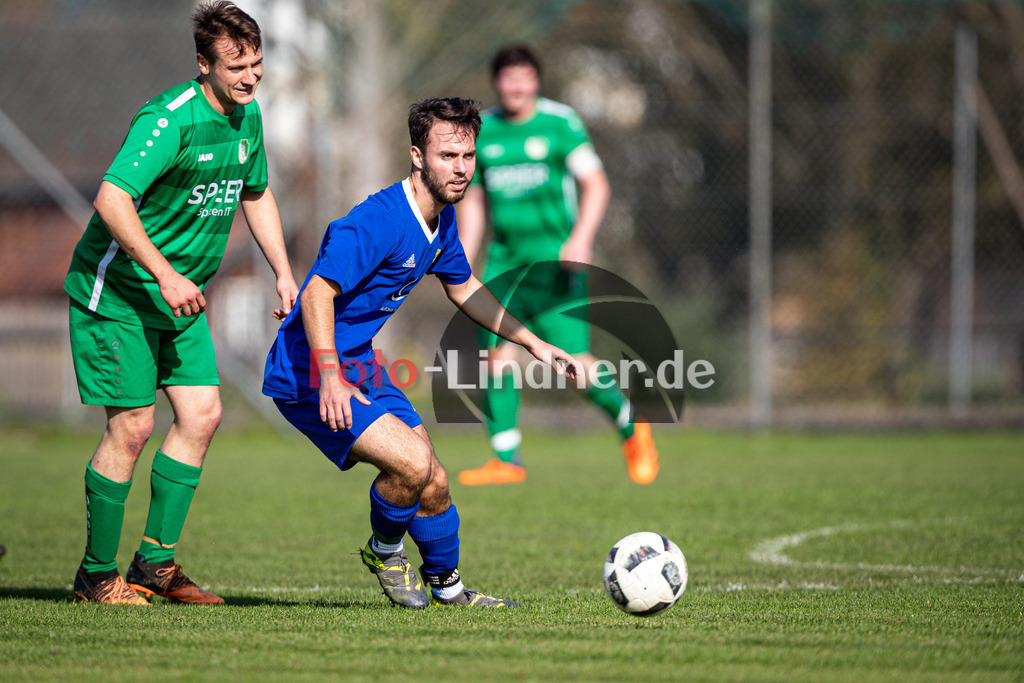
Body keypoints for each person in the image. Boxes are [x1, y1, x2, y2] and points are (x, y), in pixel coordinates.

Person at [262, 97, 578, 609]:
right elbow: (317, 292)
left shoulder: (443, 219)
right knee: (411, 464)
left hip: (359, 361)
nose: (460, 168)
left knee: (433, 477)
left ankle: (449, 590)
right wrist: (330, 376)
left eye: (468, 156)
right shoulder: (376, 221)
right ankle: (384, 552)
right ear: (416, 155)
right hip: (308, 371)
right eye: (447, 155)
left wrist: (536, 344)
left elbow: (466, 288)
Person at [63, 1, 298, 605]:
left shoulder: (247, 117)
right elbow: (111, 200)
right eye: (236, 66)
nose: (251, 77)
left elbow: (258, 192)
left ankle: (154, 566)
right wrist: (166, 274)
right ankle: (95, 576)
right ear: (203, 64)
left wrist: (282, 271)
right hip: (118, 293)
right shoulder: (168, 120)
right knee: (134, 426)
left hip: (178, 298)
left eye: (257, 64)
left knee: (202, 416)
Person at [456, 45, 659, 487]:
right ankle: (506, 458)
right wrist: (462, 256)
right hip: (504, 264)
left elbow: (596, 183)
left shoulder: (560, 122)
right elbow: (472, 198)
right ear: (496, 82)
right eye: (508, 76)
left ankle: (630, 426)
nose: (516, 85)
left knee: (575, 366)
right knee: (495, 356)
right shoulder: (483, 130)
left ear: (536, 81)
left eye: (524, 76)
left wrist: (582, 237)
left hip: (557, 266)